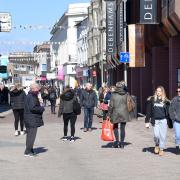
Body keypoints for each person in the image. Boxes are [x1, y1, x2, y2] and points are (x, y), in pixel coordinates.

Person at [145, 86, 170, 156]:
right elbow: (148, 111)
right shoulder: (152, 99)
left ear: (162, 92)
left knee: (163, 136)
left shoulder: (166, 101)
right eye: (157, 91)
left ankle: (161, 149)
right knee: (156, 135)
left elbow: (168, 112)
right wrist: (147, 121)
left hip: (163, 120)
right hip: (155, 120)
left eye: (159, 91)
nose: (158, 92)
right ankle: (157, 144)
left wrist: (170, 122)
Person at [24, 83, 45, 157]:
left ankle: (30, 149)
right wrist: (41, 108)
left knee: (30, 135)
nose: (38, 90)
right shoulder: (31, 96)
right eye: (37, 88)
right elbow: (33, 108)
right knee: (31, 136)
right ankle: (28, 151)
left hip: (30, 118)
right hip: (31, 118)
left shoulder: (31, 95)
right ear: (33, 88)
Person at [108, 81, 130, 148]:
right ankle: (122, 143)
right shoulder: (126, 94)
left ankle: (117, 141)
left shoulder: (113, 94)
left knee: (115, 127)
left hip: (115, 113)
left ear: (116, 87)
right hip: (124, 113)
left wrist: (109, 114)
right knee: (123, 128)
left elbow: (111, 106)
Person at [169, 86, 180, 155]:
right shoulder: (174, 100)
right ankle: (177, 146)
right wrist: (174, 117)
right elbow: (170, 110)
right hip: (177, 121)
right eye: (177, 91)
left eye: (179, 91)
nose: (178, 93)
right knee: (178, 135)